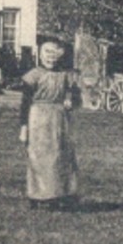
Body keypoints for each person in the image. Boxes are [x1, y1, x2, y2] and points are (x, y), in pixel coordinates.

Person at [18, 35, 82, 210]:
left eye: (54, 53)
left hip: (60, 121)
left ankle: (61, 194)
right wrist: (23, 128)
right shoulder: (33, 76)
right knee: (39, 158)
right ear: (39, 53)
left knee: (61, 157)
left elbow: (76, 95)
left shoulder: (65, 75)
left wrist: (71, 101)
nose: (50, 56)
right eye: (47, 52)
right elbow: (25, 104)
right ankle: (39, 195)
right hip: (38, 120)